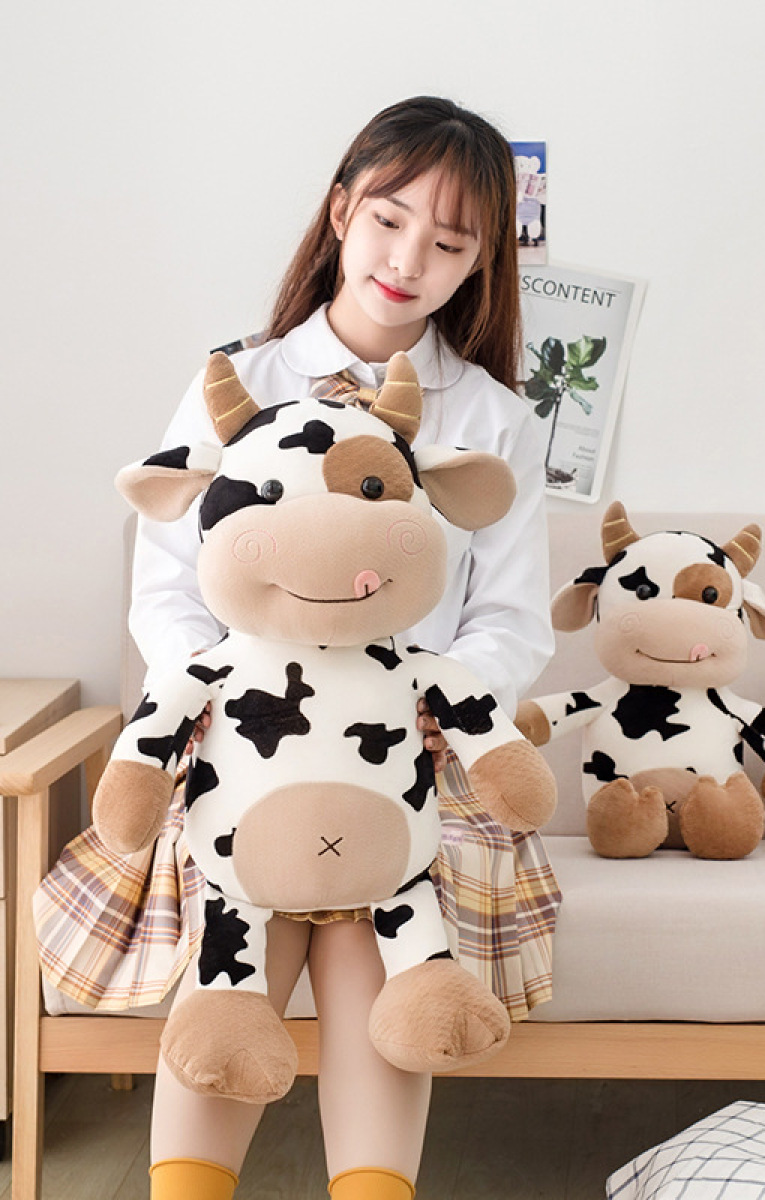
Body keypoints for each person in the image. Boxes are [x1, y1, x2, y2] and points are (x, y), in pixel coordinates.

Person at [47, 97, 558, 1200]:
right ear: (340, 213)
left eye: (450, 242)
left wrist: (429, 716)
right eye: (389, 220)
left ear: (481, 262)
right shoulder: (237, 379)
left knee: (378, 931)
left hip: (408, 753)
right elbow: (170, 586)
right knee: (248, 914)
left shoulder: (497, 422)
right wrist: (219, 704)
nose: (408, 260)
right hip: (245, 741)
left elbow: (512, 619)